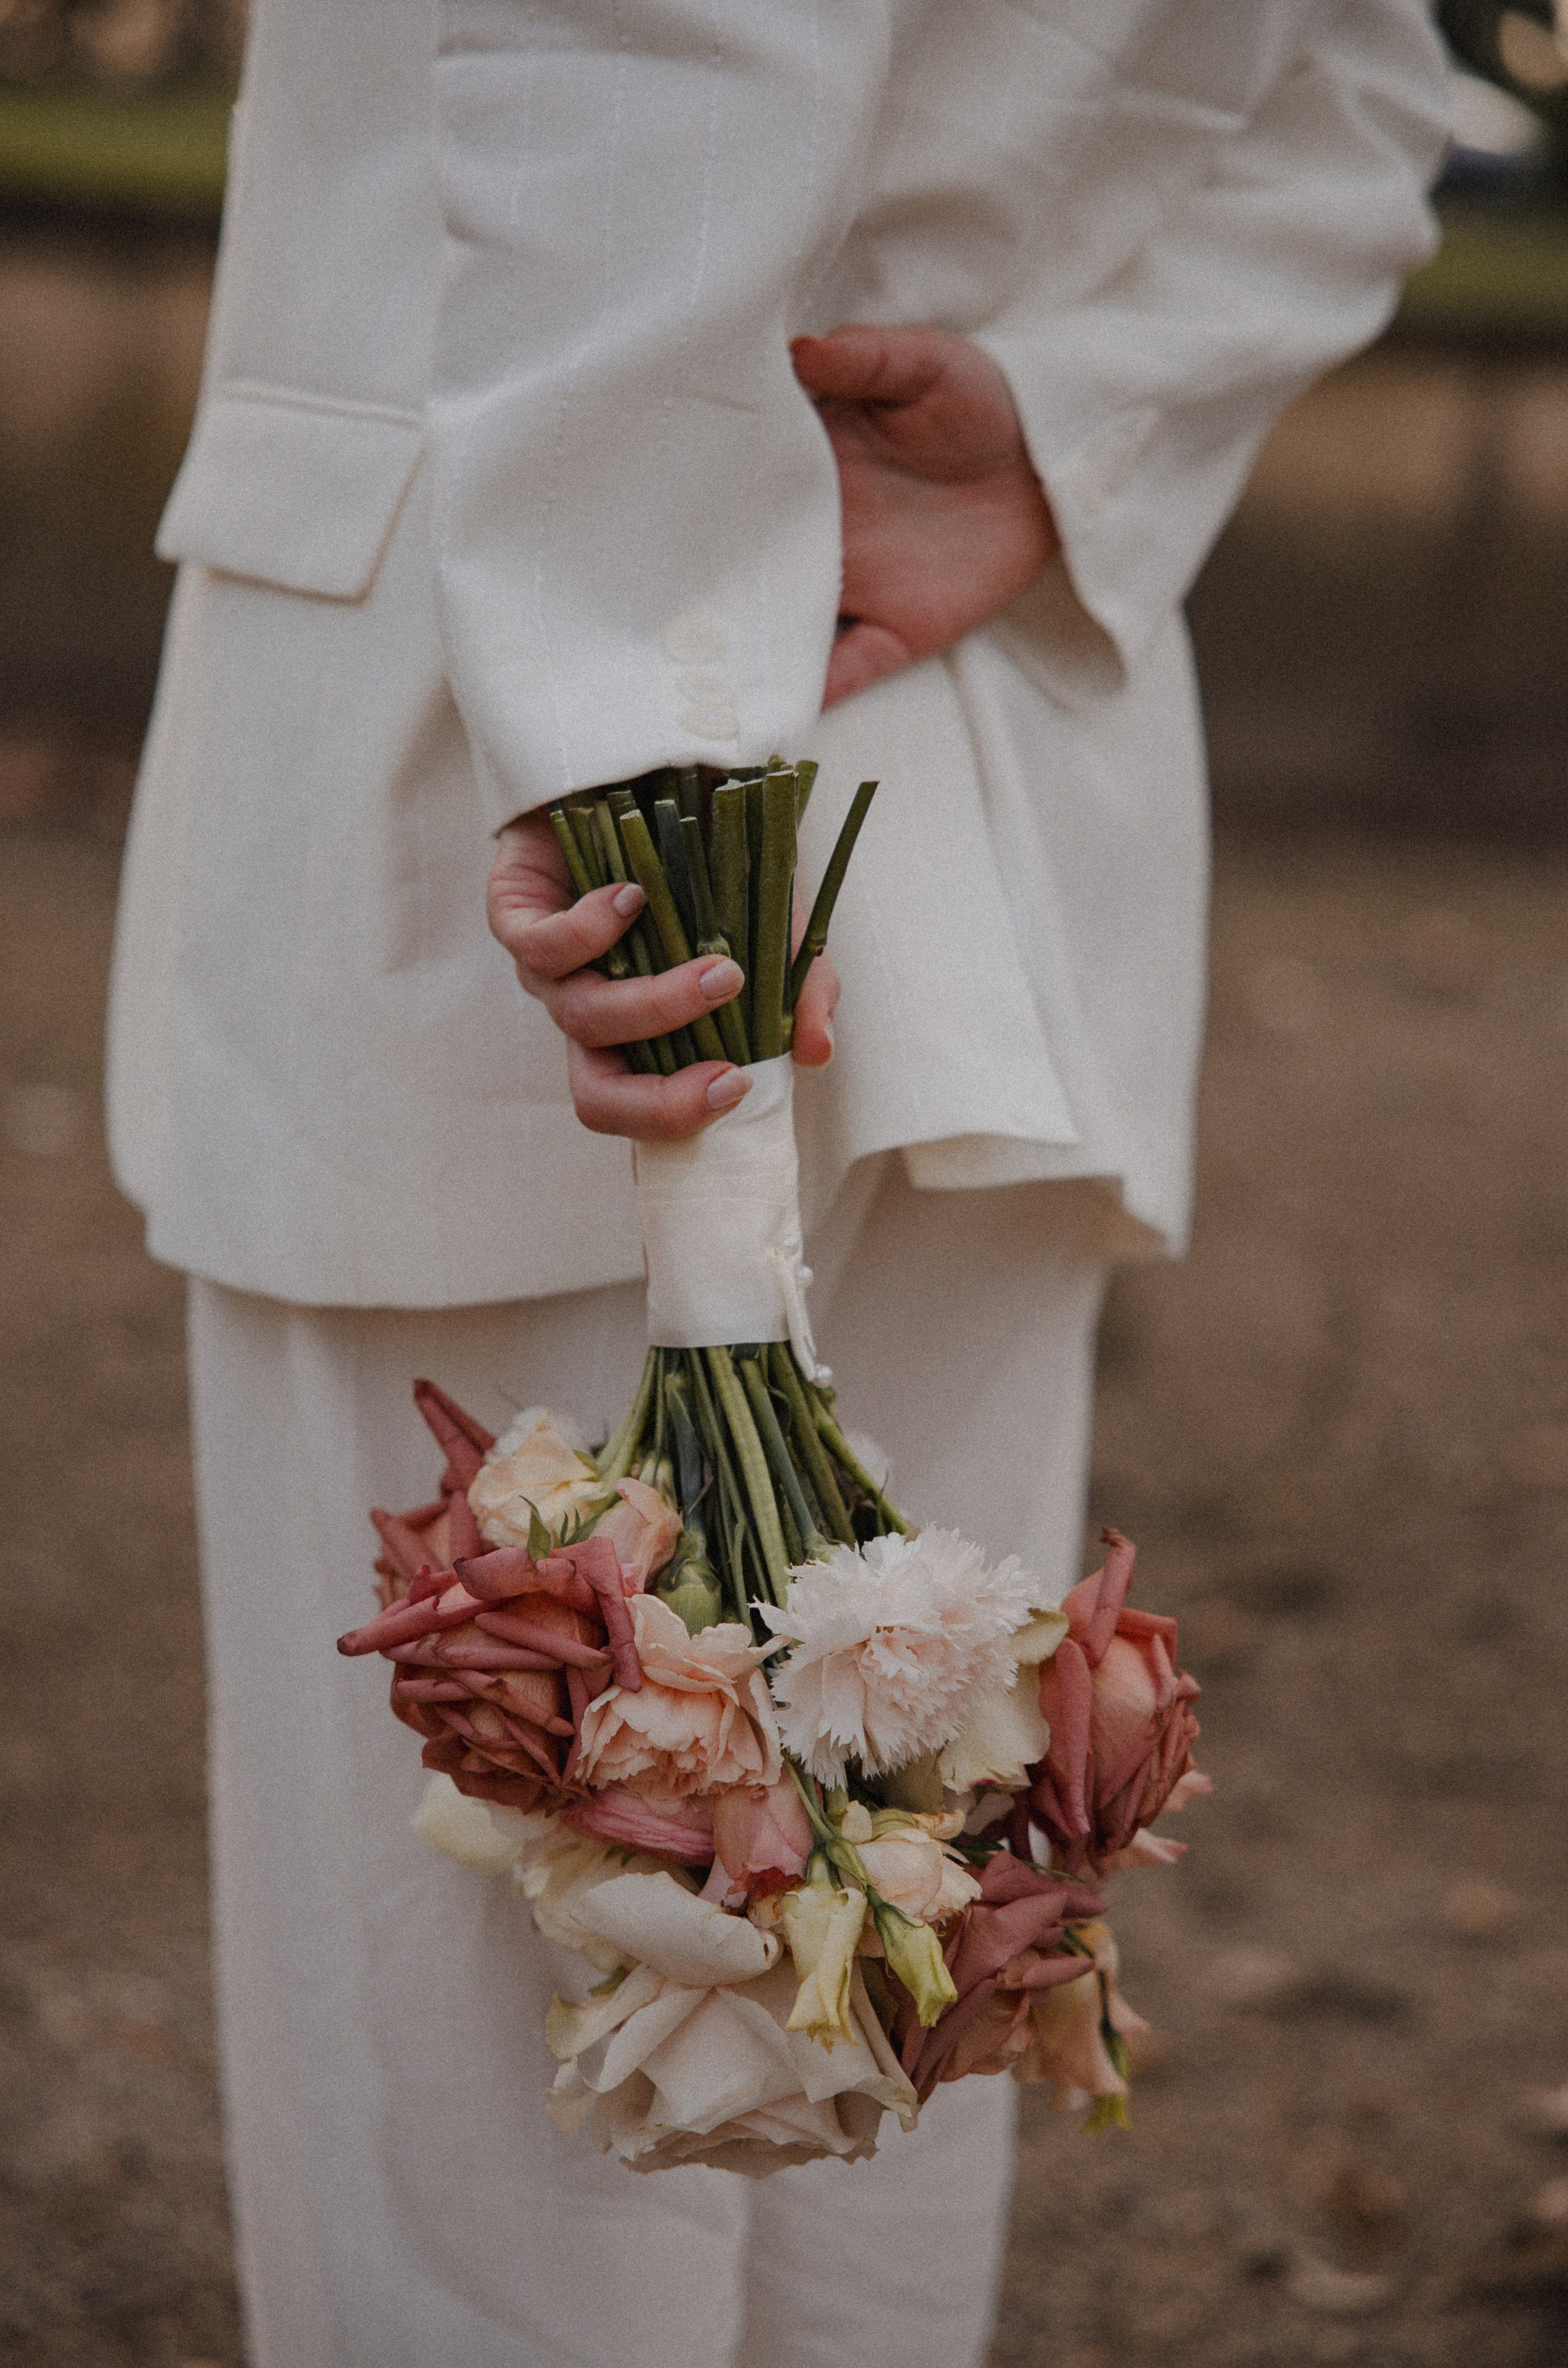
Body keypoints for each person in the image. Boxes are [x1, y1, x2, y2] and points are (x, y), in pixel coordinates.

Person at [105, 6, 1450, 2365]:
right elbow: (1360, 86)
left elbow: (642, 45)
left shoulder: (602, 772)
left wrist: (623, 750)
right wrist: (1072, 419)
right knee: (886, 1993)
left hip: (521, 817)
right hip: (996, 793)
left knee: (490, 2116)